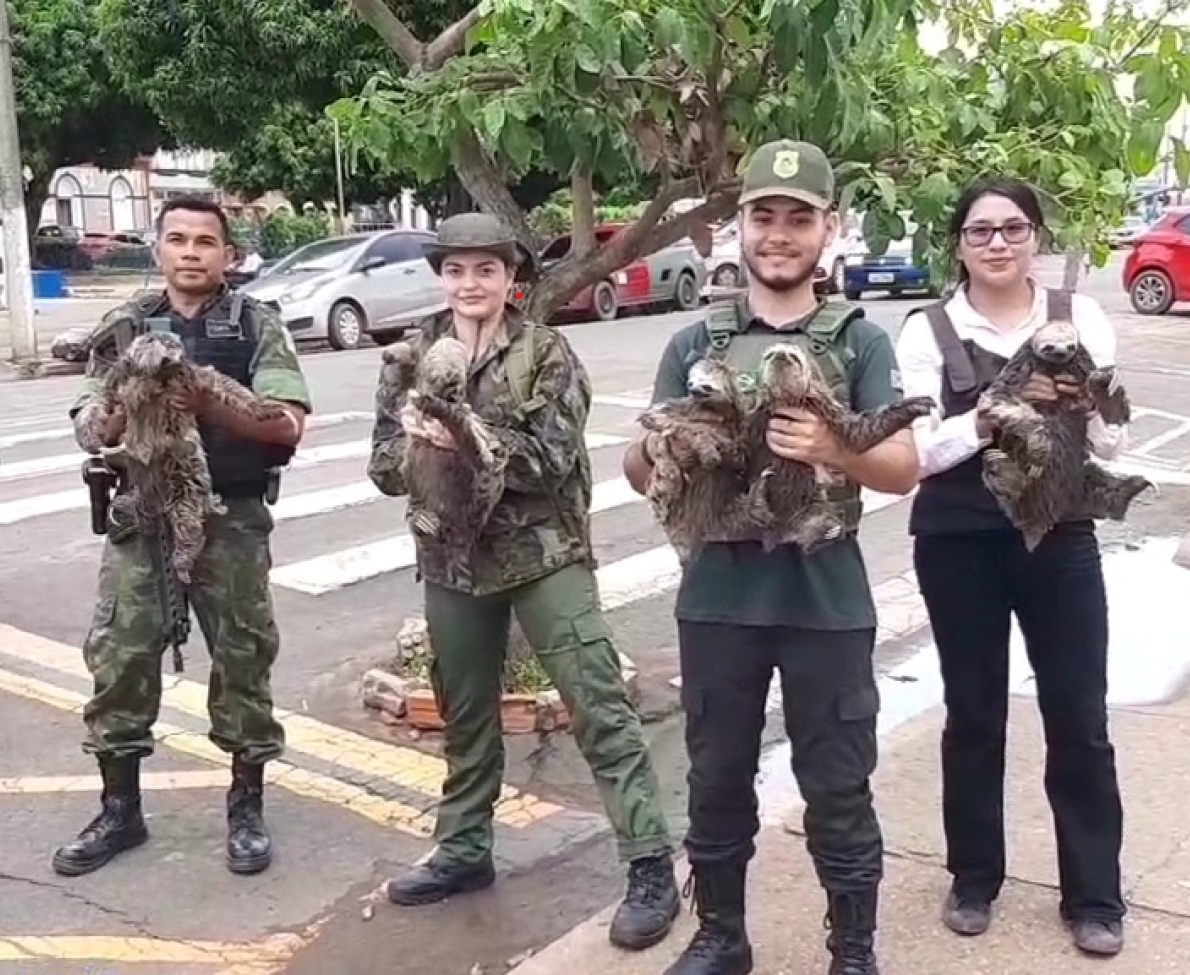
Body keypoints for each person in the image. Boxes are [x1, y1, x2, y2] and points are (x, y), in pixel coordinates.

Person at [623, 140, 920, 975]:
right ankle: (722, 934)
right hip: (719, 595)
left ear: (829, 229)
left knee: (837, 784)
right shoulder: (694, 341)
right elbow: (638, 466)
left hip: (824, 599)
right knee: (716, 777)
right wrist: (673, 441)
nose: (779, 234)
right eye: (764, 216)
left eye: (798, 218)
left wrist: (836, 444)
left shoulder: (859, 341)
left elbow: (900, 468)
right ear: (738, 227)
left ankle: (853, 950)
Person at [366, 212, 681, 951]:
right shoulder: (409, 356)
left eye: (487, 269)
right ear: (441, 276)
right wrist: (417, 445)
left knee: (597, 704)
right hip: (451, 561)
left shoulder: (547, 354)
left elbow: (548, 458)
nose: (471, 283)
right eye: (456, 269)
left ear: (512, 278)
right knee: (465, 715)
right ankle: (464, 848)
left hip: (543, 555)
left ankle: (648, 863)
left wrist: (467, 438)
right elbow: (383, 467)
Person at [893, 178, 1128, 957]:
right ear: (957, 243)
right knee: (973, 715)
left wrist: (1085, 403)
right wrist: (993, 411)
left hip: (1060, 537)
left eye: (1013, 228)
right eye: (980, 230)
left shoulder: (1079, 319)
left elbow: (1112, 444)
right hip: (959, 539)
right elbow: (918, 452)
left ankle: (1094, 895)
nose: (998, 243)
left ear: (1036, 237)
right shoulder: (928, 330)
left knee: (1079, 716)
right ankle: (973, 878)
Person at [53, 197, 312, 879]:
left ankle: (246, 805)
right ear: (158, 249)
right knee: (119, 657)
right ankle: (119, 809)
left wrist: (208, 398)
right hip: (142, 519)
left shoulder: (256, 324)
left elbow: (287, 424)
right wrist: (125, 398)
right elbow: (89, 422)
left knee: (243, 658)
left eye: (206, 241)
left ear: (229, 254)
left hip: (229, 516)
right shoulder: (127, 326)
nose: (192, 252)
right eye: (177, 239)